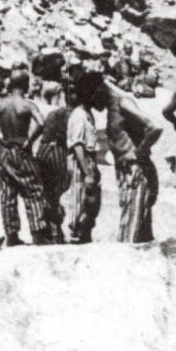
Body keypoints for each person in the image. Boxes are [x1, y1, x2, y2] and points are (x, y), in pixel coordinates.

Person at [0, 70, 51, 246]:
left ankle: (12, 235)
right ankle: (38, 232)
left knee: (7, 192)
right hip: (21, 149)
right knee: (33, 190)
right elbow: (41, 123)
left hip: (4, 149)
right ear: (25, 85)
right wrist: (30, 140)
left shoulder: (0, 104)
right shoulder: (27, 105)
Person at [81, 73, 162, 242]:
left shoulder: (123, 102)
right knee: (139, 228)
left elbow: (155, 127)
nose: (93, 106)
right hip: (127, 168)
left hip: (134, 168)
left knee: (130, 229)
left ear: (99, 91)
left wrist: (139, 152)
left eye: (92, 100)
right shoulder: (113, 106)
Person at [67, 74, 103, 244]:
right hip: (80, 162)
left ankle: (84, 235)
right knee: (80, 200)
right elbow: (77, 146)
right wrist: (87, 173)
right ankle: (76, 235)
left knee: (91, 203)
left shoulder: (88, 113)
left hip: (89, 160)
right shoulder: (79, 115)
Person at [35, 84, 73, 243]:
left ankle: (49, 229)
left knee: (46, 192)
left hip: (43, 150)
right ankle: (56, 231)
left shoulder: (53, 113)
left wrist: (30, 144)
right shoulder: (72, 114)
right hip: (57, 151)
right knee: (55, 193)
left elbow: (40, 128)